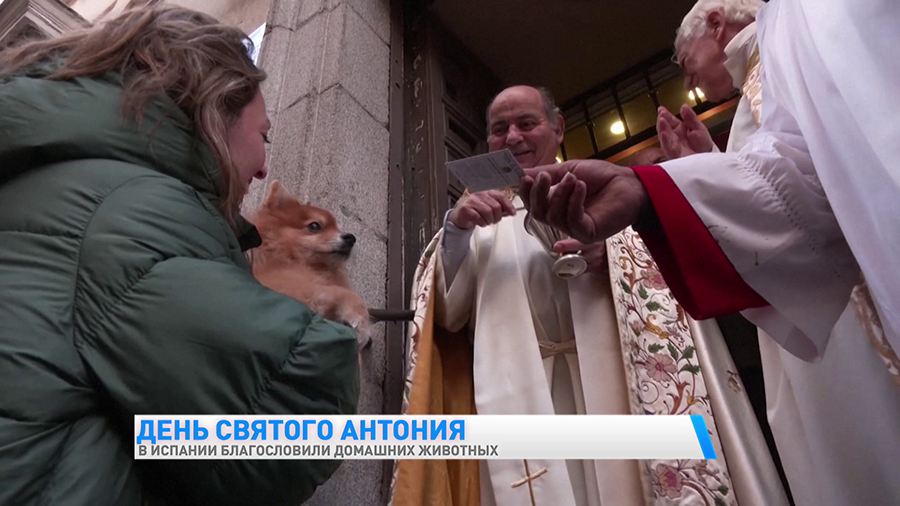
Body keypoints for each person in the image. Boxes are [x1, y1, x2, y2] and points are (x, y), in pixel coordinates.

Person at [522, 0, 900, 504]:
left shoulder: (786, 47)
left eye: (686, 63)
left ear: (716, 24)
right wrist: (666, 185)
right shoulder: (778, 51)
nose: (691, 84)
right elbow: (800, 192)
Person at [0, 6, 359, 506]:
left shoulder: (55, 188)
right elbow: (286, 416)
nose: (262, 169)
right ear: (214, 110)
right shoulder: (135, 207)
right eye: (264, 135)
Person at [391, 85, 786, 506]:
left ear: (558, 128)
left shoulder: (605, 191)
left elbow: (670, 259)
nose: (512, 138)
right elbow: (448, 317)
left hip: (616, 377)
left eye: (527, 123)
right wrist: (457, 231)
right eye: (499, 129)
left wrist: (615, 252)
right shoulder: (476, 214)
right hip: (518, 387)